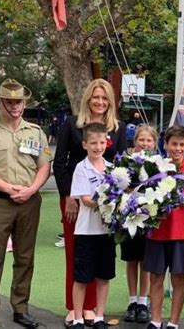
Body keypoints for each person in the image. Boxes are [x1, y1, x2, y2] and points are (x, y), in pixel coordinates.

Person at [0, 79, 52, 329]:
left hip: (29, 202)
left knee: (25, 258)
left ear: (24, 103)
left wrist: (31, 189)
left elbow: (44, 166)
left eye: (19, 101)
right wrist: (8, 188)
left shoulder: (36, 132)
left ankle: (21, 309)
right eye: (9, 101)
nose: (15, 106)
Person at [53, 78, 127, 327]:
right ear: (88, 99)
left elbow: (122, 166)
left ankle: (93, 309)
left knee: (101, 254)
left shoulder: (118, 128)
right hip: (77, 200)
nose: (100, 102)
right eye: (96, 97)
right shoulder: (72, 124)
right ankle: (74, 308)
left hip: (106, 206)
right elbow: (60, 162)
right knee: (77, 253)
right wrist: (68, 196)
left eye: (105, 98)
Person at [143, 126, 184, 329]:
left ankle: (173, 323)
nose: (178, 148)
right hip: (157, 232)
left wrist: (177, 196)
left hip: (181, 233)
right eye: (174, 144)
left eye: (182, 144)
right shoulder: (155, 167)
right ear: (166, 144)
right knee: (156, 277)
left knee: (178, 278)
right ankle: (155, 320)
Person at [70, 123, 116, 329]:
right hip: (86, 231)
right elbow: (87, 200)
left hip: (106, 231)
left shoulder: (113, 168)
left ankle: (99, 316)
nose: (98, 147)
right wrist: (110, 200)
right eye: (93, 143)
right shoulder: (81, 168)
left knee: (104, 276)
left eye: (101, 142)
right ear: (84, 144)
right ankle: (78, 318)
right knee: (81, 277)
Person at [121, 125, 158, 323]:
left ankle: (144, 302)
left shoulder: (158, 165)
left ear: (154, 143)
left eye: (148, 140)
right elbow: (118, 188)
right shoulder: (125, 163)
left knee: (145, 261)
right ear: (134, 142)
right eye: (141, 140)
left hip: (149, 219)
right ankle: (132, 300)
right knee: (131, 260)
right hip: (129, 219)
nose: (144, 144)